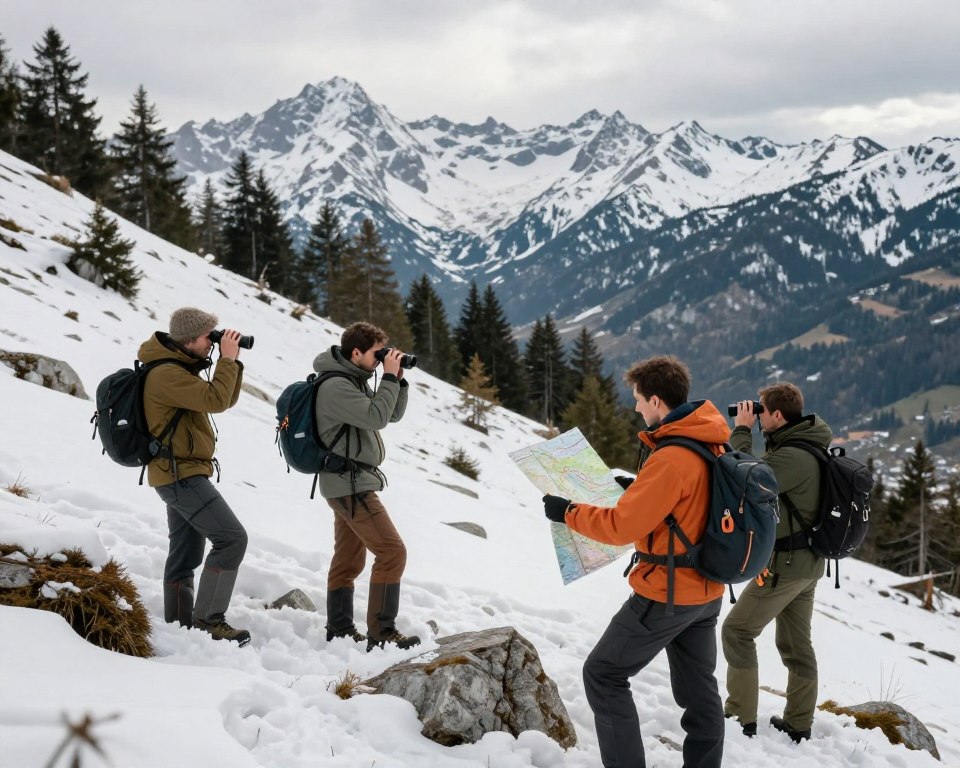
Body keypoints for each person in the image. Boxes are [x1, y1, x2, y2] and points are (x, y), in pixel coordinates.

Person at [542, 355, 726, 768]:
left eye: (639, 399)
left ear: (657, 400)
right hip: (707, 590)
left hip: (666, 592)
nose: (636, 407)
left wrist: (567, 512)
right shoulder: (709, 440)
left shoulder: (672, 457)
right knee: (700, 694)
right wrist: (640, 487)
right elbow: (691, 503)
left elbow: (620, 528)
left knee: (603, 674)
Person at [721, 382, 832, 742]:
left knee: (737, 632)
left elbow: (745, 477)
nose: (756, 415)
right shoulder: (804, 446)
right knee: (797, 646)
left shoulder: (794, 457)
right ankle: (799, 723)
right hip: (808, 564)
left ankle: (740, 718)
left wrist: (741, 430)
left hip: (786, 565)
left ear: (778, 415)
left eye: (761, 411)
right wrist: (760, 432)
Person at [140, 307, 250, 645]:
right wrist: (227, 360)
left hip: (179, 473)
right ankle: (209, 621)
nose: (212, 344)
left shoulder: (179, 369)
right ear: (188, 340)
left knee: (185, 552)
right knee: (231, 539)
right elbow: (215, 400)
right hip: (180, 476)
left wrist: (234, 361)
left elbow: (223, 400)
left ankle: (178, 625)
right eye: (208, 337)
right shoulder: (166, 375)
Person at [312, 321, 420, 652]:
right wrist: (387, 377)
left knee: (348, 559)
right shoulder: (336, 387)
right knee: (392, 552)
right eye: (377, 355)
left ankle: (340, 629)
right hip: (350, 485)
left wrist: (396, 379)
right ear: (355, 352)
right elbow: (376, 418)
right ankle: (382, 632)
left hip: (348, 482)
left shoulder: (354, 380)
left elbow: (390, 415)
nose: (380, 360)